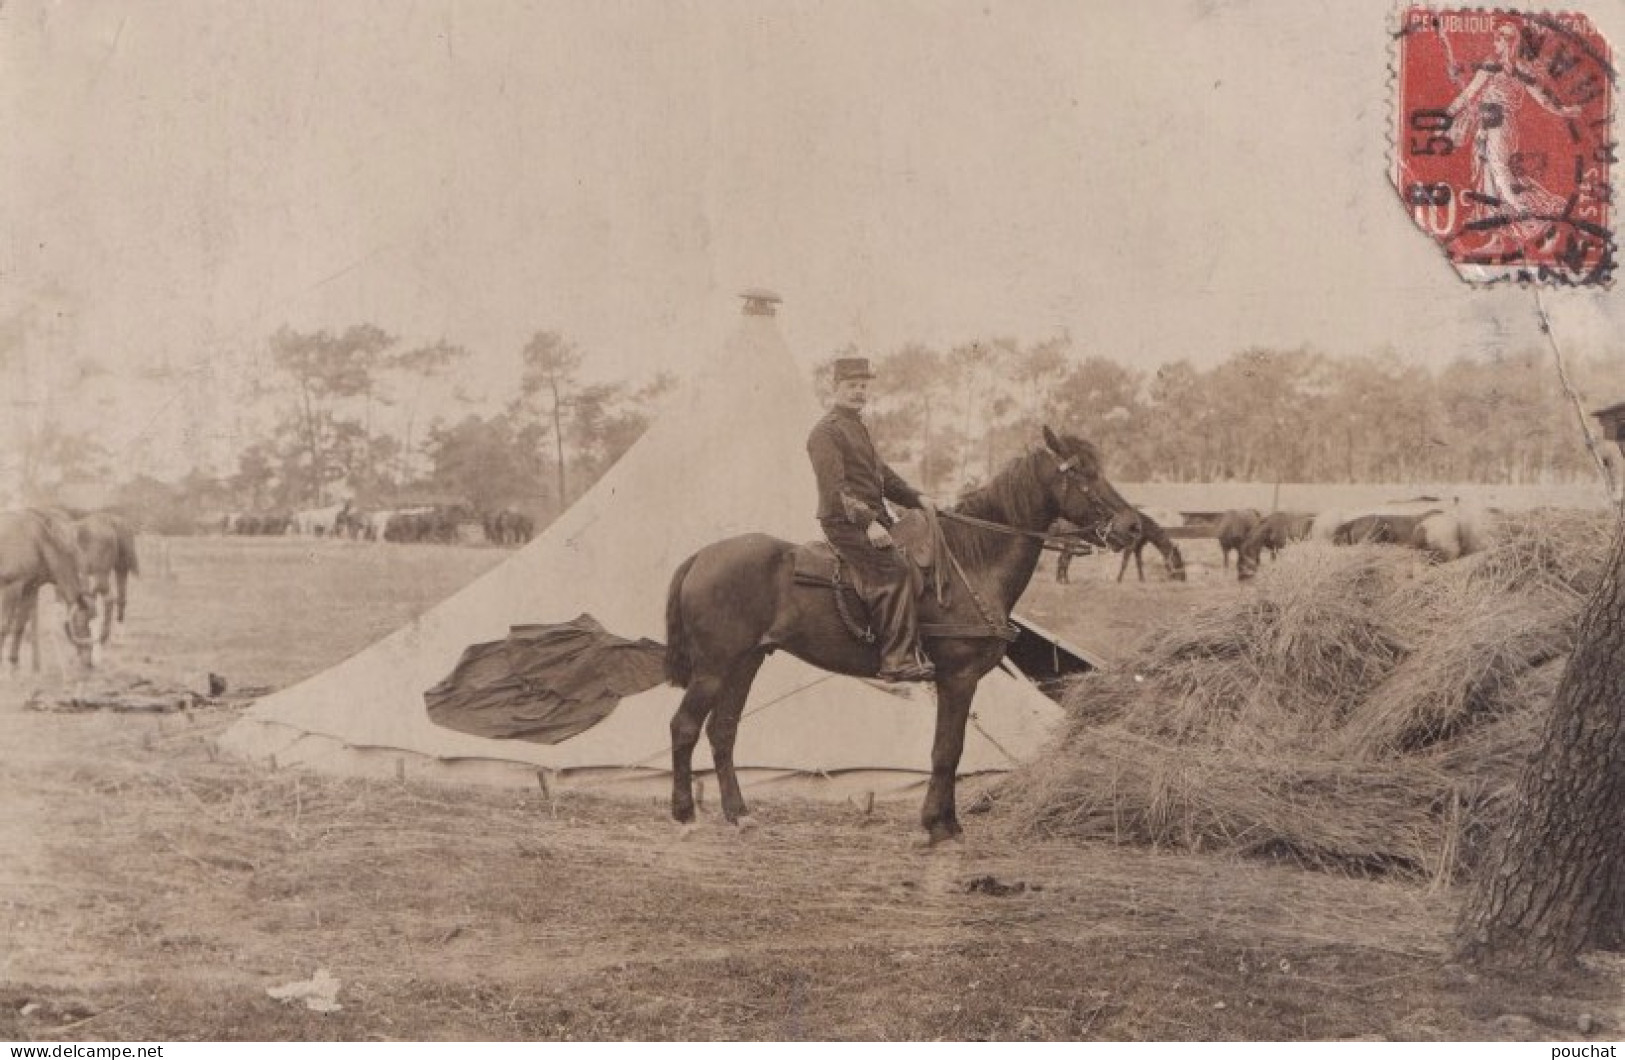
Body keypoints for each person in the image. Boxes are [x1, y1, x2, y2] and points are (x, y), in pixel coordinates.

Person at [807, 357, 937, 682]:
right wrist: (868, 522)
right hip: (844, 522)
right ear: (835, 387)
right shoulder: (826, 432)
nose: (859, 392)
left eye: (863, 386)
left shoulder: (858, 427)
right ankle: (897, 659)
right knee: (895, 567)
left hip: (873, 518)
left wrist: (917, 498)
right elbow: (836, 490)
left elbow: (884, 478)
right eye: (852, 386)